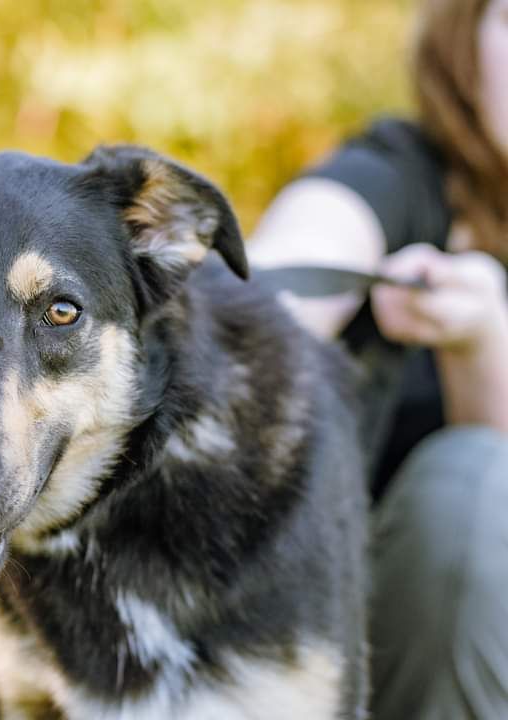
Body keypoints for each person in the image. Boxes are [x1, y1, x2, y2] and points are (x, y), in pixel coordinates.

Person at [249, 0, 508, 717]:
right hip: (356, 660)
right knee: (474, 483)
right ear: (463, 38)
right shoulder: (403, 173)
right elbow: (302, 253)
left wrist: (485, 342)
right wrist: (256, 313)